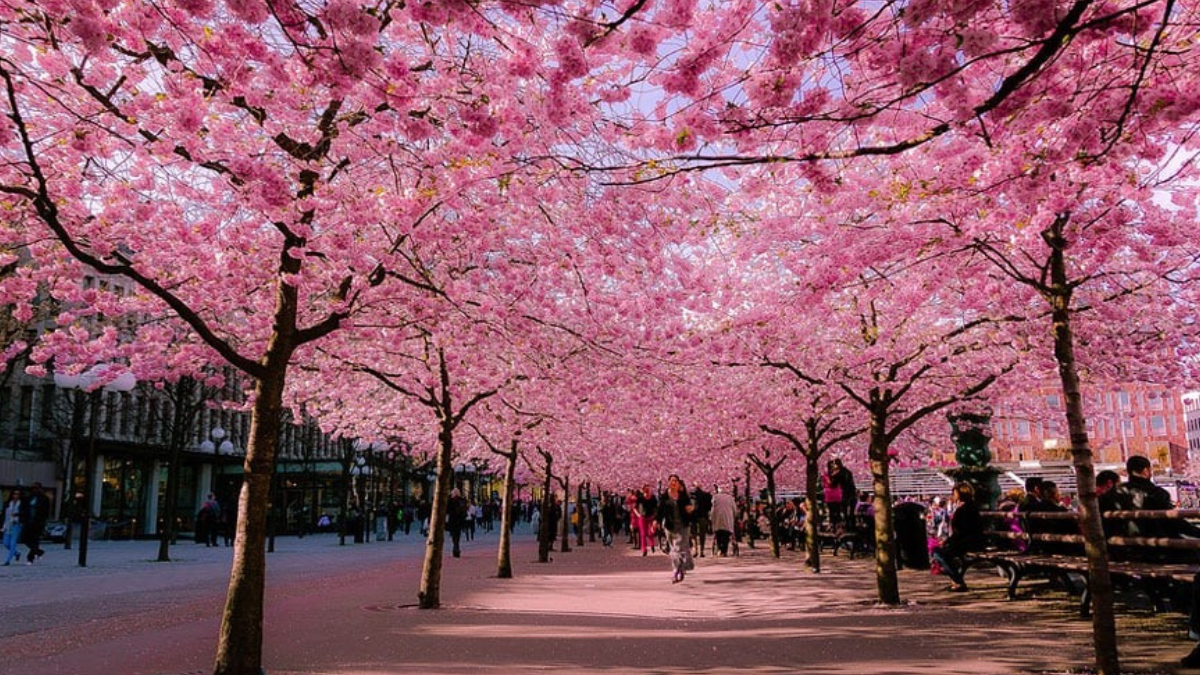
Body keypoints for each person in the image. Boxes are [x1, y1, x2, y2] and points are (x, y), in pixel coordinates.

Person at [930, 482, 985, 592]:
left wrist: (946, 542)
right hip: (969, 541)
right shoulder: (970, 507)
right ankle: (956, 580)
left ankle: (958, 581)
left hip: (967, 543)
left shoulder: (964, 510)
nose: (953, 496)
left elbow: (960, 532)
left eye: (954, 493)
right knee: (942, 553)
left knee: (938, 553)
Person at [656, 474, 695, 583]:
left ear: (678, 484)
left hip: (683, 525)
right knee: (673, 548)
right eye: (671, 481)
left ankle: (677, 570)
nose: (673, 483)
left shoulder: (683, 496)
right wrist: (656, 521)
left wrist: (691, 510)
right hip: (670, 526)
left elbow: (690, 509)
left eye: (675, 481)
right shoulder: (664, 497)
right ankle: (679, 568)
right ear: (668, 483)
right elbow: (660, 511)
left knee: (679, 548)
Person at [21, 482, 50, 563]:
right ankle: (38, 551)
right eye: (33, 488)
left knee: (35, 540)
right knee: (25, 539)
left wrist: (43, 522)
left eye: (36, 488)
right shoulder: (29, 498)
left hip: (38, 522)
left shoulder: (44, 499)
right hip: (28, 522)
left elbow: (46, 512)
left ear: (40, 489)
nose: (35, 490)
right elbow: (24, 509)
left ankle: (30, 557)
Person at [710, 486, 737, 556]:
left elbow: (712, 508)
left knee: (718, 534)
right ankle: (724, 551)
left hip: (717, 518)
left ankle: (719, 549)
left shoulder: (715, 497)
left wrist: (711, 517)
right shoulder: (730, 498)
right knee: (726, 535)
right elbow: (735, 509)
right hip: (728, 519)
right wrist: (734, 516)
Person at [634, 485, 658, 557]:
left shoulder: (653, 498)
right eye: (645, 489)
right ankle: (644, 550)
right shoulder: (640, 498)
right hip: (642, 518)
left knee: (650, 533)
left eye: (648, 489)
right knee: (643, 534)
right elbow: (635, 508)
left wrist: (654, 516)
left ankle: (652, 544)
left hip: (651, 517)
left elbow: (656, 508)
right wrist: (638, 514)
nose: (647, 490)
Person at [690, 485, 712, 557]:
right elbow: (709, 507)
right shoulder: (706, 495)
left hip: (693, 516)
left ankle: (695, 549)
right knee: (702, 534)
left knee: (693, 534)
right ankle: (701, 551)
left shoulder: (691, 495)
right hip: (703, 516)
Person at [3, 488, 23, 565]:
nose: (16, 495)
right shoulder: (8, 503)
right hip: (7, 524)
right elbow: (4, 516)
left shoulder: (21, 504)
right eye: (14, 493)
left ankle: (8, 560)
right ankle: (16, 553)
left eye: (17, 494)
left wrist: (17, 515)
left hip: (16, 524)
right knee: (6, 543)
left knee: (13, 543)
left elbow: (24, 513)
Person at [446, 489, 468, 557]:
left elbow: (447, 511)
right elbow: (464, 510)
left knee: (454, 535)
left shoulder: (450, 501)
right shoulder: (461, 500)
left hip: (453, 520)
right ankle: (456, 548)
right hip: (459, 520)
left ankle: (455, 547)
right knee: (457, 535)